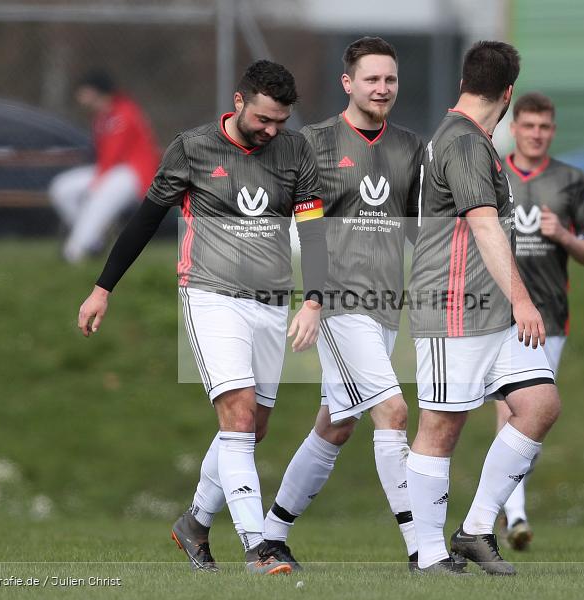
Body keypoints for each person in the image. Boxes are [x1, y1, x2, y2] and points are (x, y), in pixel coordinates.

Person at [76, 60, 328, 576]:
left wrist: (314, 299)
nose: (272, 129)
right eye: (263, 118)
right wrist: (103, 288)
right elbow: (146, 218)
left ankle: (194, 522)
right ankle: (258, 548)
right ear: (239, 102)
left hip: (272, 302)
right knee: (236, 416)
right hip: (211, 296)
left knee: (253, 428)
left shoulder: (295, 151)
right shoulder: (192, 148)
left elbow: (314, 229)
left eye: (281, 120)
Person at [259, 37, 424, 571]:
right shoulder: (313, 144)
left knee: (335, 423)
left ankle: (269, 534)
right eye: (372, 79)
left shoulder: (409, 148)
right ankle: (424, 548)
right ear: (348, 83)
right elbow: (296, 229)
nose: (382, 88)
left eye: (390, 80)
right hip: (337, 304)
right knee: (393, 411)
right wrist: (311, 299)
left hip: (384, 307)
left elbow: (418, 232)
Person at [407, 41, 561, 575]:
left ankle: (474, 530)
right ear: (509, 94)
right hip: (455, 309)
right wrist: (524, 298)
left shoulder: (462, 137)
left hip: (490, 314)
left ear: (464, 82)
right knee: (441, 427)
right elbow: (483, 223)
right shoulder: (467, 144)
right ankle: (427, 558)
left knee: (539, 404)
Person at [494, 92, 584, 551]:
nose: (536, 134)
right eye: (529, 125)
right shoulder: (493, 173)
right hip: (495, 314)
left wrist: (564, 236)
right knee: (509, 413)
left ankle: (503, 505)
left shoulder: (572, 181)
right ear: (514, 128)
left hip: (549, 320)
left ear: (552, 131)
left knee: (529, 421)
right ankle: (513, 514)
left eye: (544, 127)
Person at [50, 70, 160, 263]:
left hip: (135, 174)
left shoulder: (124, 112)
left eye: (84, 91)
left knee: (101, 194)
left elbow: (114, 153)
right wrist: (99, 178)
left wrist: (98, 181)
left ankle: (74, 251)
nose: (80, 96)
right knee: (62, 188)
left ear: (96, 92)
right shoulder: (101, 117)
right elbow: (104, 158)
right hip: (110, 171)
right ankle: (94, 242)